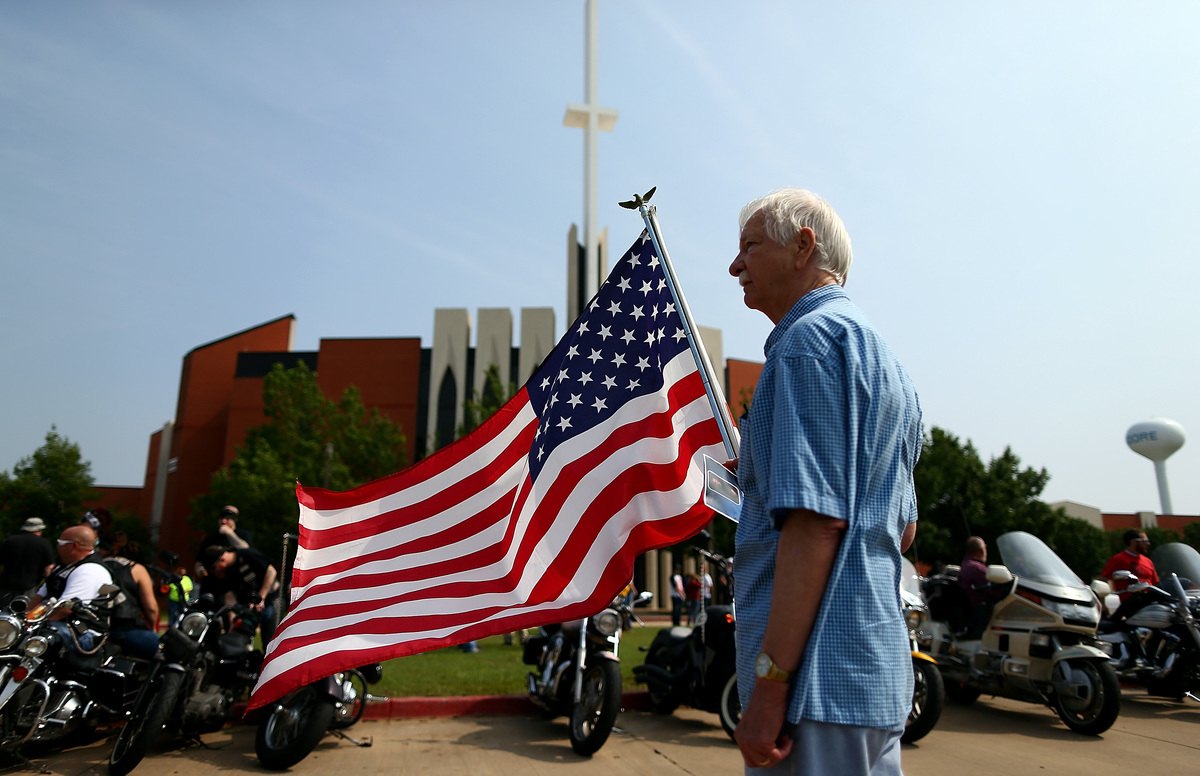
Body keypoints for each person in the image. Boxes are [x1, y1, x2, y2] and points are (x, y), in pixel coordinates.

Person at [729, 188, 921, 775]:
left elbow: (816, 525)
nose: (735, 266)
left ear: (802, 246)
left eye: (750, 247)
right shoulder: (887, 362)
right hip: (874, 677)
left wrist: (769, 688)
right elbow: (903, 530)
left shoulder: (803, 346)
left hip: (813, 687)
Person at [31, 525, 114, 655]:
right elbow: (39, 597)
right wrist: (24, 620)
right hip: (57, 625)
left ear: (74, 545)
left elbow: (64, 609)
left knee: (33, 638)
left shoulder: (89, 570)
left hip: (81, 633)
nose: (57, 547)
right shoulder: (64, 568)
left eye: (60, 543)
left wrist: (30, 626)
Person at [199, 544, 279, 645]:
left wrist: (261, 597)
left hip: (271, 599)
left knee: (270, 641)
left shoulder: (246, 554)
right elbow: (229, 596)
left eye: (213, 568)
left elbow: (271, 571)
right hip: (248, 605)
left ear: (222, 560)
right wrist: (233, 620)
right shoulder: (226, 572)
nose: (215, 572)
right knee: (239, 638)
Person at [98, 540, 161, 659]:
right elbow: (151, 607)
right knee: (165, 652)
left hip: (99, 631)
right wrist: (153, 627)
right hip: (128, 629)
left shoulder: (95, 566)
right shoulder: (136, 569)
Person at [1101, 529, 1159, 620]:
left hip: (1151, 605)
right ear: (1133, 542)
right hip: (1131, 606)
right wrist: (1102, 604)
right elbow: (1101, 581)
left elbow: (1156, 584)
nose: (1148, 544)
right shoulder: (1119, 559)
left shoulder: (1148, 561)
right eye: (1145, 541)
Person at [0, 517, 55, 605]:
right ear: (40, 530)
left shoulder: (10, 541)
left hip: (6, 587)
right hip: (29, 588)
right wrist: (48, 586)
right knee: (25, 613)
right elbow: (48, 567)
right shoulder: (43, 543)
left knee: (3, 613)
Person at [957, 536, 1003, 639]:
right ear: (982, 550)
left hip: (972, 613)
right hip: (980, 613)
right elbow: (994, 591)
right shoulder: (977, 568)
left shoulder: (966, 564)